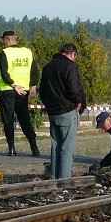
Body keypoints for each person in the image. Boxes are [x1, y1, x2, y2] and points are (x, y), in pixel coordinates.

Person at [38, 43, 87, 179]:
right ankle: (64, 180)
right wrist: (79, 102)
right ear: (72, 54)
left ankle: (54, 176)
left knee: (55, 146)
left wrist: (48, 104)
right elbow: (74, 88)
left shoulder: (48, 66)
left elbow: (42, 90)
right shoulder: (69, 66)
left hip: (52, 111)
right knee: (67, 148)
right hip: (67, 110)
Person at [0, 30, 41, 157]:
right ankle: (34, 147)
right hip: (23, 90)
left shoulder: (5, 52)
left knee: (8, 119)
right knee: (24, 119)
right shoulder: (27, 52)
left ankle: (11, 148)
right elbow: (34, 71)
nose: (3, 43)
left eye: (4, 40)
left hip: (7, 89)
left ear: (8, 40)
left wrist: (13, 85)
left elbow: (4, 72)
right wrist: (33, 86)